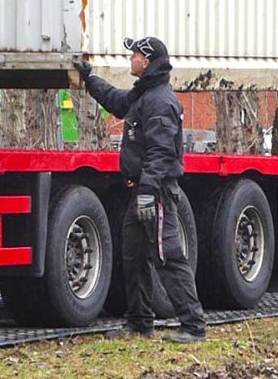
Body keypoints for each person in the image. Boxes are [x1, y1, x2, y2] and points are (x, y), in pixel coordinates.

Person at [73, 36, 207, 342]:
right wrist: (91, 79)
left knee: (168, 255)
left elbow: (161, 153)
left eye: (134, 55)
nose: (130, 59)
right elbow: (117, 102)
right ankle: (139, 322)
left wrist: (148, 190)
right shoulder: (143, 95)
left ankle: (193, 326)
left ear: (145, 61)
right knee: (133, 255)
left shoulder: (159, 100)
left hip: (156, 193)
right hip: (141, 192)